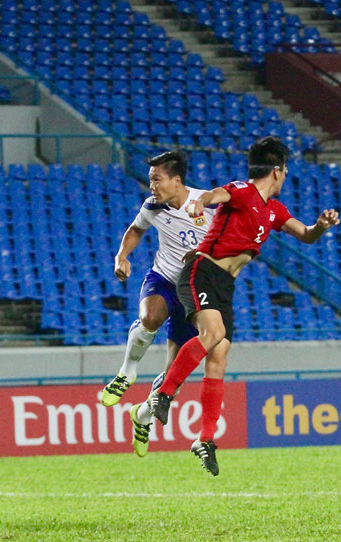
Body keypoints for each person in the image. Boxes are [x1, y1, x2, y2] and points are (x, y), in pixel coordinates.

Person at [145, 136, 340, 476]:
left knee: (218, 359)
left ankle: (204, 439)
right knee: (214, 332)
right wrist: (197, 203)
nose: (286, 176)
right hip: (201, 270)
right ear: (276, 171)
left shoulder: (275, 210)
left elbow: (306, 235)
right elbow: (211, 196)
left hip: (225, 286)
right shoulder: (242, 191)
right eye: (286, 170)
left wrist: (320, 227)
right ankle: (163, 393)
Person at [99, 151, 215, 457]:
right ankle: (127, 371)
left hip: (194, 290)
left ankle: (142, 416)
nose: (151, 185)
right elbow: (136, 229)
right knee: (150, 317)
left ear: (176, 180)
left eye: (156, 179)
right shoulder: (153, 206)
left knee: (173, 375)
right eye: (151, 179)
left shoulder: (209, 204)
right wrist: (121, 256)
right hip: (163, 278)